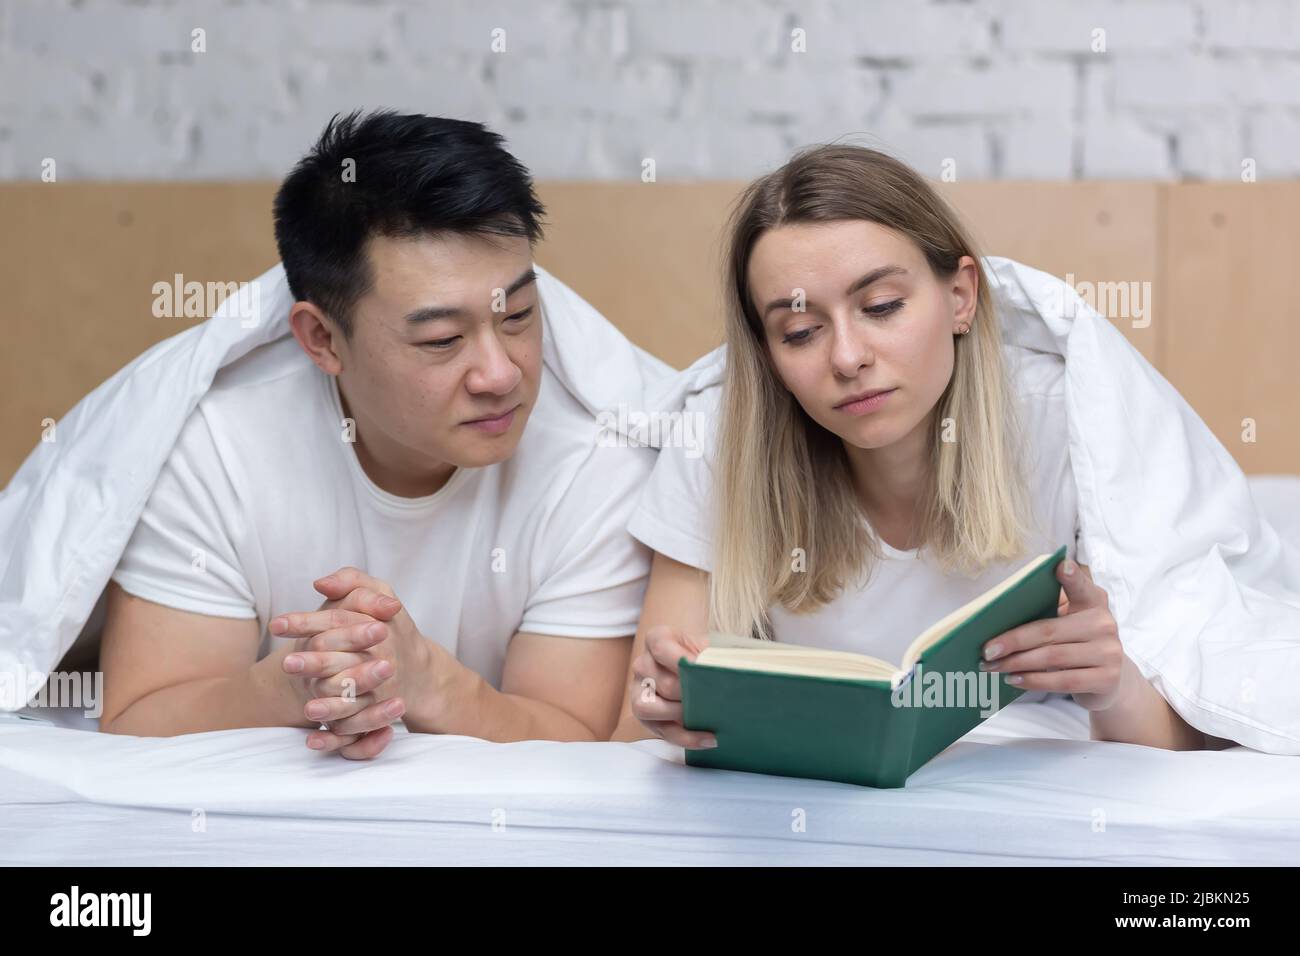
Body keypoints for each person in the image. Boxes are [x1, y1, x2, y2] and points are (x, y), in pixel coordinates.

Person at [612, 144, 1221, 752]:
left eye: (881, 307)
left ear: (960, 296)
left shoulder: (1070, 424)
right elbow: (637, 728)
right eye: (799, 332)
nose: (848, 358)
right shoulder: (720, 434)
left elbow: (1181, 749)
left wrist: (1113, 687)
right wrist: (661, 705)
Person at [99, 110, 655, 758]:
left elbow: (582, 744)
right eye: (442, 340)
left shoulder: (597, 460)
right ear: (321, 339)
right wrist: (288, 688)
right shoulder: (215, 450)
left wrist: (430, 685)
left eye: (520, 316)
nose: (501, 374)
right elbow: (138, 721)